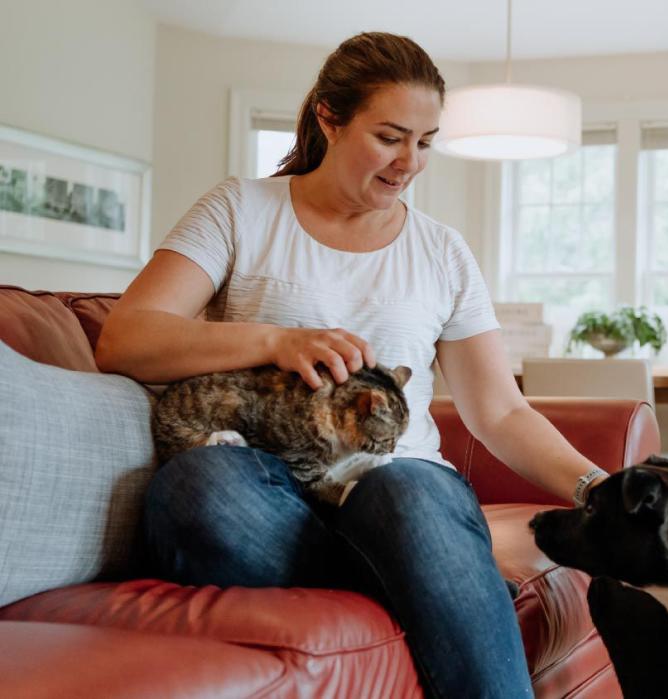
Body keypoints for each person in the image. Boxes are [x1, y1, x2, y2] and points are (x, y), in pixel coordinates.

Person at [95, 32, 608, 699]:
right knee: (200, 488)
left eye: (425, 142)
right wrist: (275, 341)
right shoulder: (241, 210)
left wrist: (596, 486)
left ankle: (420, 557)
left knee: (410, 493)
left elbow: (501, 411)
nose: (410, 163)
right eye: (391, 136)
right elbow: (126, 338)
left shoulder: (442, 253)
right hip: (263, 487)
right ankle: (422, 575)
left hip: (395, 490)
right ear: (329, 118)